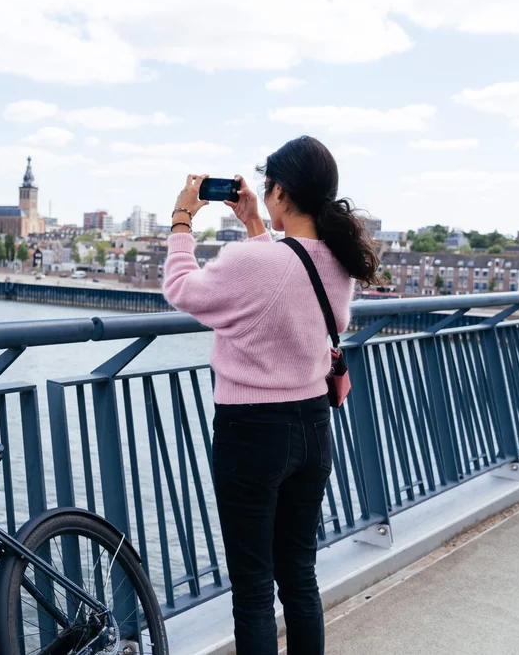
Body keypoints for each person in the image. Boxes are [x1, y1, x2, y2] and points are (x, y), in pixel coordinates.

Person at [161, 135, 379, 655]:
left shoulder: (255, 262)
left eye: (267, 188)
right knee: (299, 577)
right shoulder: (335, 261)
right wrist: (257, 224)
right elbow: (286, 278)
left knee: (254, 591)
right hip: (311, 429)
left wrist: (180, 220)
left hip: (252, 433)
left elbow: (182, 289)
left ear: (280, 191)